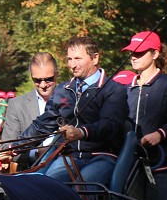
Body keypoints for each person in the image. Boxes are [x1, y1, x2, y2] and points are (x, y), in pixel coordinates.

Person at [21, 36, 125, 184]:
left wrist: (81, 132)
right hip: (70, 157)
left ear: (95, 58)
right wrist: (13, 147)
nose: (72, 65)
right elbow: (43, 124)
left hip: (102, 156)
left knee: (86, 185)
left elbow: (110, 125)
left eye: (78, 59)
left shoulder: (114, 90)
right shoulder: (62, 90)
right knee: (46, 185)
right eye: (69, 59)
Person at [122, 31, 167, 200]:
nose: (134, 57)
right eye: (132, 52)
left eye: (140, 52)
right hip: (130, 167)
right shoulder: (126, 89)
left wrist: (161, 134)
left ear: (155, 54)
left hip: (162, 168)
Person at [3, 52, 61, 143]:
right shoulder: (16, 105)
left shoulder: (70, 100)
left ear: (57, 75)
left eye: (48, 79)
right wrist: (36, 153)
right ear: (32, 77)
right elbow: (7, 147)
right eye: (37, 80)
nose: (43, 85)